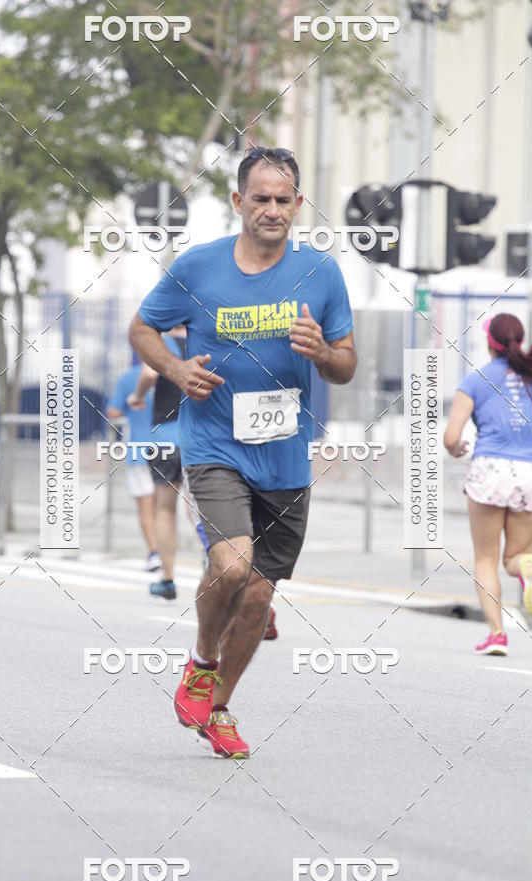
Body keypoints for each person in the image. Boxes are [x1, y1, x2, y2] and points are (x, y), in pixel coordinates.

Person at [129, 147, 356, 758]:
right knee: (231, 567)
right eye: (261, 198)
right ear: (238, 201)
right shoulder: (198, 268)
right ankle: (202, 663)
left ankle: (219, 706)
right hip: (215, 445)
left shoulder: (322, 274)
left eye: (284, 200)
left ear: (299, 206)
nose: (273, 210)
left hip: (285, 458)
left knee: (258, 594)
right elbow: (142, 328)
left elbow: (346, 365)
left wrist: (323, 352)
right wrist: (175, 369)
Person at [444, 313, 532, 656]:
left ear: (489, 343)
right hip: (531, 472)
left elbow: (452, 436)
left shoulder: (475, 380)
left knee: (486, 558)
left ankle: (497, 634)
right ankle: (530, 568)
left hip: (489, 471)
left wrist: (457, 449)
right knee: (517, 556)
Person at [128, 327, 186, 600]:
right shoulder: (208, 338)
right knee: (204, 508)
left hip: (166, 437)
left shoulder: (164, 343)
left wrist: (137, 397)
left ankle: (168, 578)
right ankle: (217, 568)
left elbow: (150, 373)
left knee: (165, 510)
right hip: (203, 436)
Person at [107, 363, 160, 571]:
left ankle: (154, 552)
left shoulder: (129, 377)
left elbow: (113, 411)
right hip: (172, 447)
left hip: (140, 449)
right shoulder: (173, 369)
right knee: (166, 507)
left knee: (146, 507)